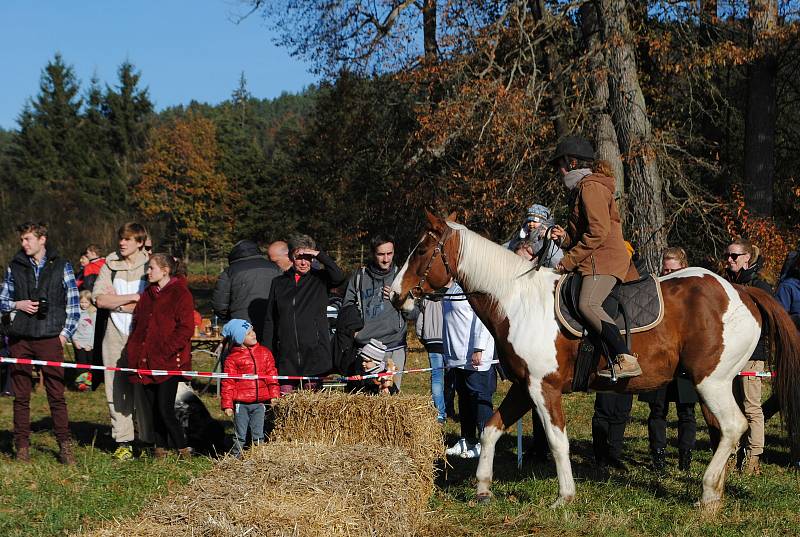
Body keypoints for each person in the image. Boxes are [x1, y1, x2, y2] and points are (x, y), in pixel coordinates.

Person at [549, 136, 640, 379]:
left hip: (604, 260)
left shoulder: (590, 187)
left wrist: (568, 260)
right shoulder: (584, 188)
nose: (558, 171)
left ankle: (625, 357)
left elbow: (598, 232)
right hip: (594, 258)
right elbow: (586, 233)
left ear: (572, 163)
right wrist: (565, 239)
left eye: (560, 165)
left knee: (587, 304)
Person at [0, 222, 79, 464]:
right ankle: (22, 446)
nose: (23, 244)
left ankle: (64, 445)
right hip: (20, 338)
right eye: (22, 240)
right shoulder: (15, 266)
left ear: (42, 239)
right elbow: (2, 300)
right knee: (21, 396)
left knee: (56, 394)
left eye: (27, 239)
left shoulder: (62, 265)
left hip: (50, 337)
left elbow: (74, 304)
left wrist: (64, 334)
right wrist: (18, 304)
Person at [92, 222, 152, 461]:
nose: (122, 243)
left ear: (140, 242)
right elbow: (99, 299)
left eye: (127, 239)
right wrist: (132, 299)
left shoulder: (151, 265)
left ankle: (148, 438)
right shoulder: (110, 264)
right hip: (113, 337)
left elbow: (152, 302)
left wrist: (116, 300)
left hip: (142, 336)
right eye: (120, 238)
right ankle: (123, 440)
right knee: (116, 390)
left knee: (143, 389)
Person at [126, 253, 194, 459]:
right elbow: (138, 323)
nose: (147, 272)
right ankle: (160, 449)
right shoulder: (148, 294)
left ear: (164, 270)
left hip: (167, 362)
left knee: (165, 409)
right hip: (145, 360)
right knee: (152, 408)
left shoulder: (180, 293)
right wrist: (135, 348)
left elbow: (185, 328)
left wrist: (165, 350)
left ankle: (183, 449)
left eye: (151, 268)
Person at [262, 234, 346, 393]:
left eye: (308, 257)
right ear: (291, 257)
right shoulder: (278, 283)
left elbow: (339, 277)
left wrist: (318, 255)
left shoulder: (320, 279)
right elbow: (270, 320)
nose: (303, 262)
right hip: (287, 356)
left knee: (311, 405)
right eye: (299, 257)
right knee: (285, 402)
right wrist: (267, 353)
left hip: (315, 354)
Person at [640, 247, 697, 472]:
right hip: (659, 360)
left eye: (673, 270)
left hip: (684, 362)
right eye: (665, 269)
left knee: (687, 412)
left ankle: (685, 458)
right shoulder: (655, 290)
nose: (668, 273)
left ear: (683, 268)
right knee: (657, 411)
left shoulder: (693, 296)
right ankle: (658, 457)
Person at [342, 234, 418, 390]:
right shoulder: (359, 277)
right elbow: (347, 308)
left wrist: (400, 300)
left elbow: (414, 314)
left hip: (394, 347)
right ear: (372, 254)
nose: (386, 259)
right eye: (381, 254)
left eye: (389, 254)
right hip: (366, 349)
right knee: (366, 400)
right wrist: (354, 331)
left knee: (390, 397)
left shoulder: (401, 277)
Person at [722, 238, 772, 475]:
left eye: (734, 256)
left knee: (752, 407)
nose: (729, 260)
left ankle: (754, 457)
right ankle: (733, 454)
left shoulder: (760, 286)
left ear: (746, 258)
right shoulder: (723, 282)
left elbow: (771, 321)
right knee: (731, 406)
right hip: (728, 355)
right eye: (727, 256)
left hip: (752, 354)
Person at [443, 281, 497, 459]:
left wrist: (479, 347)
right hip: (457, 356)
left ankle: (485, 444)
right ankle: (467, 439)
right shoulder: (455, 286)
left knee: (480, 396)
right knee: (464, 397)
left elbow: (484, 318)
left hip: (475, 355)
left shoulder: (478, 284)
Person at [220, 319, 280, 458]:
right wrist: (227, 404)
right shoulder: (232, 359)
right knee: (240, 435)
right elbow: (228, 382)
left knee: (259, 434)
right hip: (241, 404)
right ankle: (235, 458)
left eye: (252, 330)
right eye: (248, 333)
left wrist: (274, 395)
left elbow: (272, 375)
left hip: (259, 403)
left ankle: (260, 457)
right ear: (240, 339)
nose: (253, 334)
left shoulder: (265, 353)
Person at [212, 240, 281, 340]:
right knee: (269, 353)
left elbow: (219, 305)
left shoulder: (230, 271)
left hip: (242, 326)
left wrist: (230, 317)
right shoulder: (276, 268)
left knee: (243, 355)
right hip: (271, 323)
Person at [416, 295, 447, 422]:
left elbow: (419, 323)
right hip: (449, 340)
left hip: (431, 341)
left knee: (436, 378)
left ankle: (439, 412)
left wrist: (422, 337)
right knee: (453, 377)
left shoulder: (425, 299)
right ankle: (449, 408)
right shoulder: (449, 295)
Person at [510, 204, 563, 269]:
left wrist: (533, 248)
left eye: (535, 221)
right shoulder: (523, 234)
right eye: (529, 221)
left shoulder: (547, 234)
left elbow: (554, 258)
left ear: (543, 222)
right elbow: (511, 246)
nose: (531, 224)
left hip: (543, 269)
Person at [71, 290, 97, 390]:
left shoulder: (93, 313)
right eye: (81, 302)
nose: (83, 305)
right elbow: (73, 327)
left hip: (90, 344)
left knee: (90, 363)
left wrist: (90, 344)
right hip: (79, 343)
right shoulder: (76, 312)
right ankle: (81, 383)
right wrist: (75, 341)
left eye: (86, 302)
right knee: (81, 363)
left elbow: (95, 329)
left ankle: (89, 383)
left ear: (90, 302)